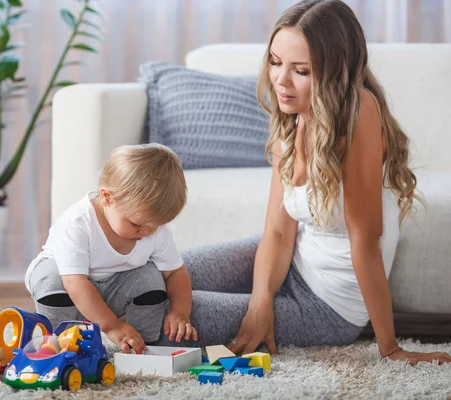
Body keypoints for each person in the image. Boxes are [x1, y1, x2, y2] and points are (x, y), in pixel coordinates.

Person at [155, 0, 451, 365]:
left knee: (154, 313)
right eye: (276, 62)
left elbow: (366, 239)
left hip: (327, 305)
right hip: (291, 261)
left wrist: (390, 348)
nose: (280, 80)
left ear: (334, 74)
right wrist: (260, 301)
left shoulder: (360, 112)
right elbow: (278, 232)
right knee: (155, 276)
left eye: (301, 70)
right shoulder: (292, 118)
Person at [25, 143, 198, 354]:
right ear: (107, 198)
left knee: (151, 277)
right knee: (50, 279)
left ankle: (143, 345)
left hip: (113, 290)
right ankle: (59, 343)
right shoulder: (78, 223)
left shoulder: (154, 229)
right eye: (137, 225)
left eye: (155, 225)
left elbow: (176, 272)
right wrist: (111, 327)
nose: (147, 232)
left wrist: (180, 312)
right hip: (70, 291)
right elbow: (75, 282)